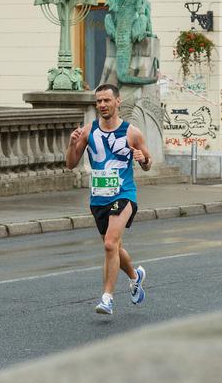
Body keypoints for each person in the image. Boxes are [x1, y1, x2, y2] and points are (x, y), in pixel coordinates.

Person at [65, 83, 152, 315]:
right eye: (99, 101)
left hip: (124, 194)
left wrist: (142, 158)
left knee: (109, 244)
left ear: (117, 102)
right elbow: (71, 164)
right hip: (98, 198)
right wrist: (72, 144)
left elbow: (147, 164)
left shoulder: (132, 133)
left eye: (107, 100)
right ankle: (135, 277)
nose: (102, 105)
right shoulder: (88, 131)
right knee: (114, 247)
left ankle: (107, 298)